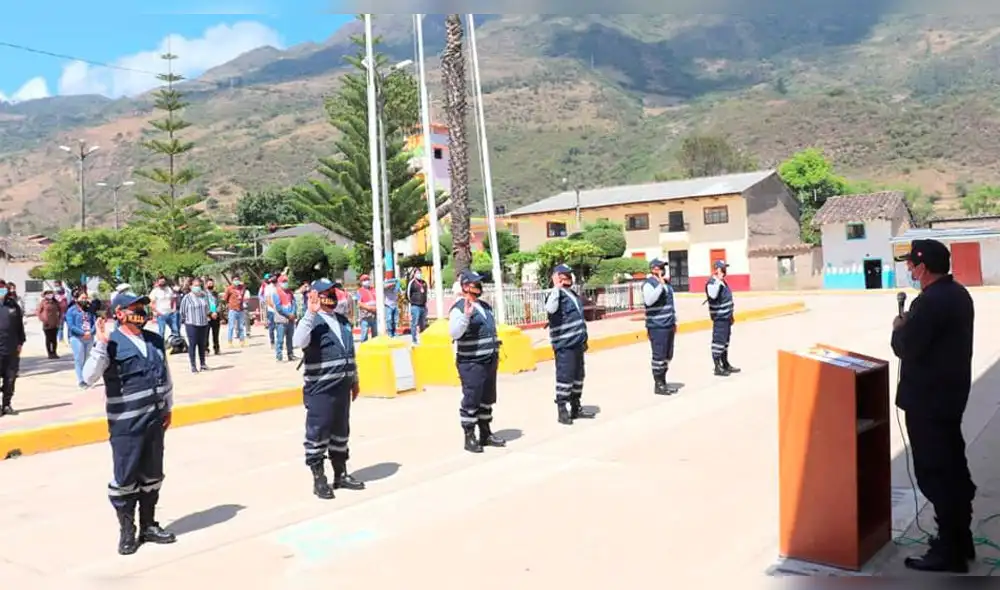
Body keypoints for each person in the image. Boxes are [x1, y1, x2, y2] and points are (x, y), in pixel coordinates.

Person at [891, 239, 977, 573]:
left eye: (911, 265)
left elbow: (906, 346)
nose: (910, 270)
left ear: (923, 268)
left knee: (935, 473)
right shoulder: (958, 294)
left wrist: (899, 327)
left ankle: (950, 551)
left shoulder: (929, 304)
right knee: (953, 467)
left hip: (929, 402)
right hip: (949, 398)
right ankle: (960, 538)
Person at [82, 292, 177, 555]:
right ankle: (127, 531)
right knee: (125, 478)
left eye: (143, 307)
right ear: (120, 313)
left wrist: (168, 406)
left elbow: (165, 376)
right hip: (126, 425)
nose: (141, 312)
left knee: (153, 475)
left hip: (154, 421)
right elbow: (87, 377)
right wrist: (100, 345)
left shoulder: (155, 340)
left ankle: (148, 525)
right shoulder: (110, 342)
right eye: (135, 307)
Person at [292, 279, 366, 499]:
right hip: (321, 388)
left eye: (333, 291)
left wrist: (354, 379)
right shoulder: (311, 321)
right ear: (315, 295)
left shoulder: (342, 321)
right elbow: (298, 341)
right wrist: (310, 313)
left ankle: (340, 474)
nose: (331, 295)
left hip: (342, 387)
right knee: (318, 433)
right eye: (326, 292)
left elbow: (350, 353)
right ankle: (319, 479)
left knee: (341, 431)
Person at [449, 269, 507, 453]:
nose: (479, 286)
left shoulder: (484, 306)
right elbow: (454, 333)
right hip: (471, 362)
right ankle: (469, 436)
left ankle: (485, 433)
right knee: (472, 399)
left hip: (489, 359)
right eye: (475, 283)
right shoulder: (459, 308)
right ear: (466, 286)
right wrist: (466, 316)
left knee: (487, 398)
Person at [544, 264, 594, 424]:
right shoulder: (555, 294)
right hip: (565, 344)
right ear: (557, 277)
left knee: (578, 376)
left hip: (577, 342)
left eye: (570, 275)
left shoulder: (571, 293)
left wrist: (584, 338)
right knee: (565, 377)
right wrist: (556, 288)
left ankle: (576, 407)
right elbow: (551, 309)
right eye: (565, 275)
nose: (570, 278)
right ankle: (562, 410)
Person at [644, 258, 679, 395]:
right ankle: (658, 384)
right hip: (657, 326)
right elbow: (649, 300)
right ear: (653, 269)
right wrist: (659, 285)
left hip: (668, 324)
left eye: (663, 267)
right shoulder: (649, 284)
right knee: (658, 355)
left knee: (667, 355)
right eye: (660, 267)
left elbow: (670, 304)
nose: (663, 270)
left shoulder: (666, 284)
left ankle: (664, 381)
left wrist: (674, 321)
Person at [705, 260, 740, 377]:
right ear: (717, 270)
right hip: (719, 318)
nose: (725, 271)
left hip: (726, 317)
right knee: (718, 342)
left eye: (725, 268)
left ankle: (725, 363)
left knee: (725, 342)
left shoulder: (723, 282)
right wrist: (718, 280)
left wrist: (731, 315)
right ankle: (717, 366)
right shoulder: (712, 283)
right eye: (722, 269)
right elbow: (713, 295)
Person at [0, 279, 25, 415]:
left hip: (12, 348)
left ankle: (6, 404)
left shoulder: (13, 305)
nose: (1, 290)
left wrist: (21, 342)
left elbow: (19, 326)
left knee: (10, 378)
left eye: (3, 287)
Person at [66, 289, 97, 389]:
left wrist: (91, 332)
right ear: (76, 299)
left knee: (88, 359)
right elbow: (71, 325)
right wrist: (83, 333)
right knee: (79, 359)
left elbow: (95, 321)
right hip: (77, 338)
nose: (84, 300)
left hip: (89, 337)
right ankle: (81, 380)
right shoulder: (71, 311)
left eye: (85, 298)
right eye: (82, 298)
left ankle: (87, 379)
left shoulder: (90, 309)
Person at [179, 278, 210, 373]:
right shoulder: (187, 298)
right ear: (191, 286)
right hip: (191, 324)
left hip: (203, 323)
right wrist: (185, 321)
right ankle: (193, 365)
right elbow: (182, 311)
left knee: (202, 344)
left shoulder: (204, 296)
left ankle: (203, 364)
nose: (197, 287)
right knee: (192, 345)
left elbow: (207, 308)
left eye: (199, 285)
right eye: (195, 285)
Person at [271, 275, 298, 362]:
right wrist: (288, 314)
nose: (285, 283)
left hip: (290, 319)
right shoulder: (276, 293)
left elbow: (294, 303)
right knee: (280, 339)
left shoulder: (290, 293)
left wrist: (293, 313)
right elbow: (278, 307)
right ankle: (279, 356)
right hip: (281, 320)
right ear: (279, 283)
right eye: (283, 282)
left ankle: (290, 354)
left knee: (290, 338)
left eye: (286, 281)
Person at [37, 289, 63, 359]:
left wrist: (59, 319)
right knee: (48, 339)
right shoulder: (43, 302)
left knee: (54, 339)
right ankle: (49, 353)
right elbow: (38, 312)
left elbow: (60, 310)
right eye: (48, 294)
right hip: (47, 324)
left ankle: (54, 352)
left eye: (50, 293)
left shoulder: (56, 302)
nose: (49, 295)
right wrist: (43, 319)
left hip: (55, 323)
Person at [223, 278, 247, 347]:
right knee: (231, 326)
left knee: (241, 326)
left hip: (241, 309)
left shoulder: (241, 288)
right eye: (235, 280)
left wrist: (242, 284)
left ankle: (242, 341)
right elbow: (225, 298)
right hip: (232, 309)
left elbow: (245, 287)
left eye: (237, 280)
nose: (236, 281)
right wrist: (230, 304)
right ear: (232, 281)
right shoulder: (229, 288)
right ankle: (230, 341)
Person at [407, 269, 429, 343]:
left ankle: (423, 339)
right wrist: (412, 302)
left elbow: (425, 293)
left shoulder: (424, 283)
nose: (419, 274)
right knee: (414, 323)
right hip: (415, 306)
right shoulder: (412, 283)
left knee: (423, 324)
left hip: (423, 306)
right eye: (417, 273)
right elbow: (408, 295)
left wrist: (425, 303)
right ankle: (414, 339)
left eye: (420, 273)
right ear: (414, 274)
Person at [356, 275, 378, 341]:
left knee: (375, 335)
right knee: (364, 335)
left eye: (368, 279)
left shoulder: (373, 289)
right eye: (365, 280)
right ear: (361, 282)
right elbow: (359, 303)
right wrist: (370, 308)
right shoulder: (359, 291)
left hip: (374, 316)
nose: (367, 281)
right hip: (365, 317)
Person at [205, 278, 222, 355]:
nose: (210, 285)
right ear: (206, 285)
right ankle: (206, 349)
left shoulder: (216, 294)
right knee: (206, 334)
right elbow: (204, 305)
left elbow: (219, 304)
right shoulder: (203, 295)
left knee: (216, 334)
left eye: (211, 283)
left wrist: (216, 312)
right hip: (207, 316)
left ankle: (216, 348)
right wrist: (210, 313)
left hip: (216, 316)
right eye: (209, 283)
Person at [260, 274, 277, 347]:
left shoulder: (279, 287)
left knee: (280, 327)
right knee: (272, 327)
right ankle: (272, 341)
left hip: (280, 311)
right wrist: (275, 307)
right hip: (271, 310)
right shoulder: (268, 288)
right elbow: (267, 299)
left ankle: (280, 341)